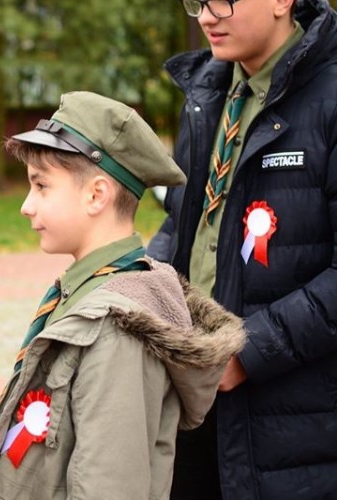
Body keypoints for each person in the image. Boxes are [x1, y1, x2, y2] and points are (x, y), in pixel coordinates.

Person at [0, 91, 247, 500]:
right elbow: (57, 427)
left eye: (41, 186)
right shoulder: (89, 289)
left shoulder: (119, 327)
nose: (26, 206)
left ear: (96, 195)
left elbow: (109, 486)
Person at [147, 0, 337, 497]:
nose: (207, 16)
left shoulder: (331, 97)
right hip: (196, 402)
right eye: (197, 2)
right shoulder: (207, 93)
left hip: (296, 421)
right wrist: (140, 291)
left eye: (223, 0)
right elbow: (187, 226)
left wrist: (247, 353)